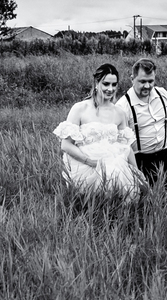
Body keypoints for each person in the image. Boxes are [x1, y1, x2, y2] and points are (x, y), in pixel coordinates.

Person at [52, 63, 147, 203]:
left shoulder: (119, 113)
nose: (110, 89)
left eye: (114, 85)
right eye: (106, 84)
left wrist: (137, 171)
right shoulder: (80, 109)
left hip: (114, 163)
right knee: (101, 188)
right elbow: (66, 145)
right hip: (86, 164)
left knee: (120, 182)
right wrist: (91, 162)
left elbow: (125, 148)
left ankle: (120, 217)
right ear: (96, 83)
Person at [121, 58, 167, 188]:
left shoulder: (163, 94)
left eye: (150, 81)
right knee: (151, 196)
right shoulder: (123, 106)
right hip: (141, 160)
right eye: (142, 81)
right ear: (132, 79)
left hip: (165, 155)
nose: (147, 86)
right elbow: (122, 145)